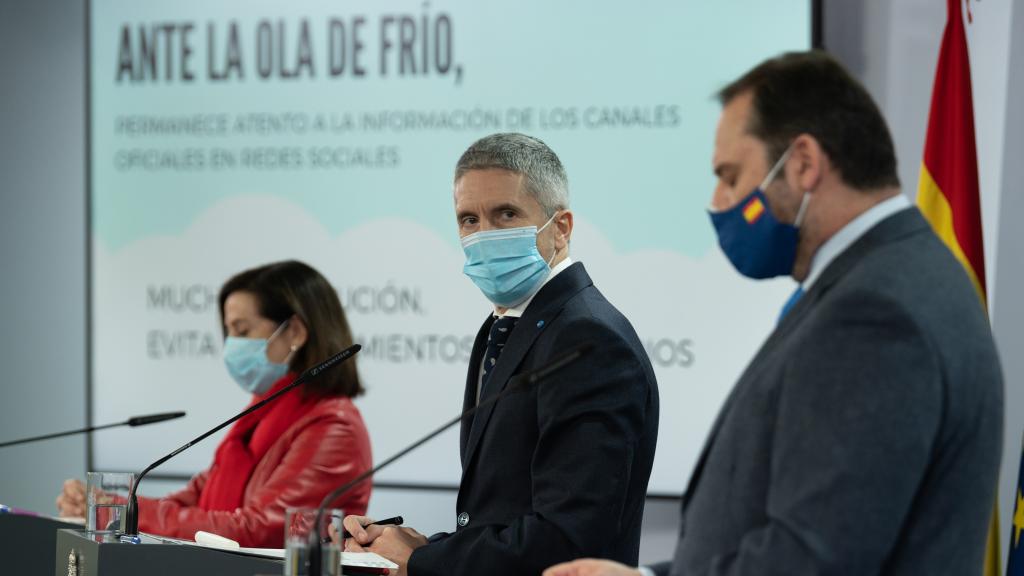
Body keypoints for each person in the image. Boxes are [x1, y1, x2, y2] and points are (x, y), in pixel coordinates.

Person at [545, 50, 1003, 576]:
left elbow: (815, 561)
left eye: (731, 175)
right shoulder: (898, 273)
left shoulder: (875, 315)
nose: (719, 201)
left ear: (804, 163)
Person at [339, 133, 660, 576]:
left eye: (505, 214)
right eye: (468, 219)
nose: (483, 235)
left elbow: (567, 537)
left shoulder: (588, 339)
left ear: (561, 227)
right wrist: (408, 545)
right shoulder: (504, 326)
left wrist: (422, 560)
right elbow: (502, 516)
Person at [57, 260, 373, 548]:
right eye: (228, 331)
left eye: (242, 330)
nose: (230, 343)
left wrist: (122, 512)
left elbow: (259, 530)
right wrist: (111, 506)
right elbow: (195, 499)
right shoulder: (263, 414)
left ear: (295, 331)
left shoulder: (333, 427)